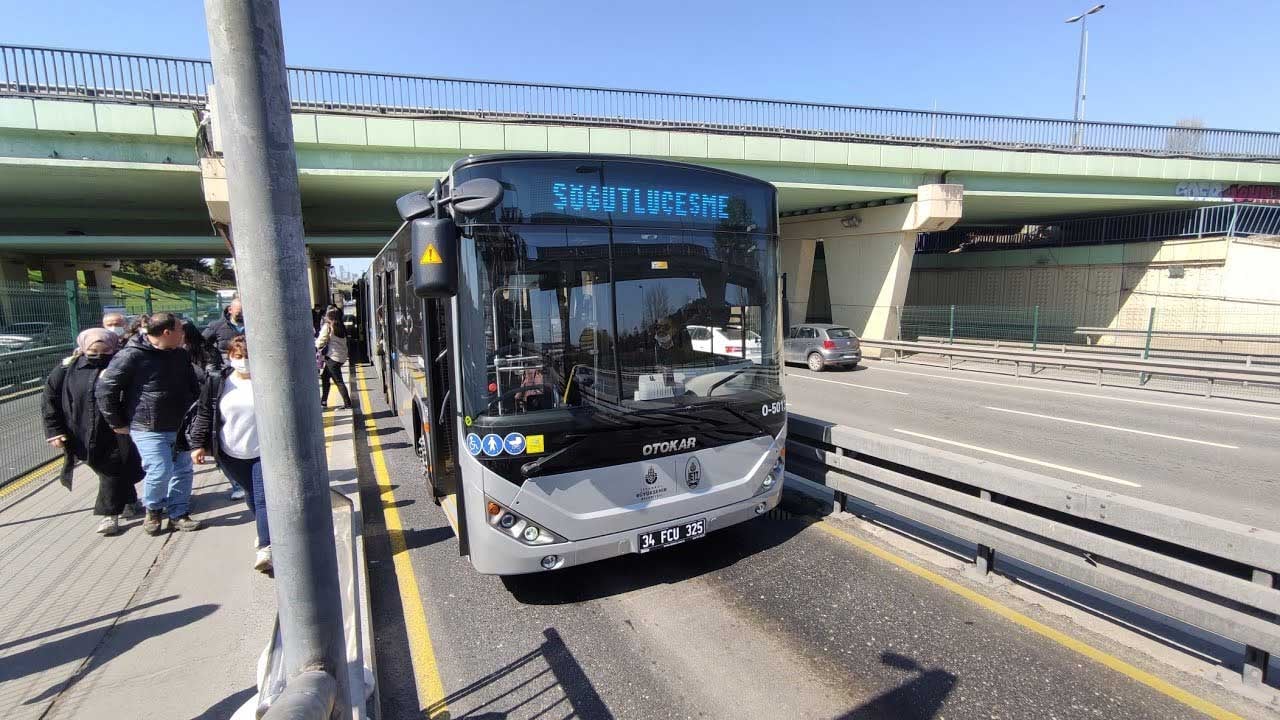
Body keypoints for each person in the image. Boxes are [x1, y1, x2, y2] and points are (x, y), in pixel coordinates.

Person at [96, 312, 202, 535]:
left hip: (181, 424)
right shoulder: (131, 356)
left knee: (183, 470)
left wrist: (196, 415)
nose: (183, 334)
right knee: (160, 470)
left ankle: (178, 513)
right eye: (180, 330)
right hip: (147, 425)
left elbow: (193, 386)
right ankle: (153, 509)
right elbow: (106, 390)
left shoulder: (180, 355)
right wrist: (116, 422)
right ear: (167, 332)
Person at [42, 329, 145, 536]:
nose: (100, 355)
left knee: (112, 469)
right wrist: (54, 431)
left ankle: (109, 515)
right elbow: (49, 401)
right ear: (82, 349)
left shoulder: (125, 365)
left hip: (118, 430)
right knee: (106, 468)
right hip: (80, 431)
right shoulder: (65, 369)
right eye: (93, 351)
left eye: (106, 350)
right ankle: (130, 501)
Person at [188, 336, 272, 572]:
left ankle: (266, 546)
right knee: (251, 494)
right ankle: (266, 530)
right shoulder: (218, 381)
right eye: (238, 357)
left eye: (247, 357)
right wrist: (198, 445)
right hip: (230, 451)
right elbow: (205, 413)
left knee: (263, 497)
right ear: (230, 357)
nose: (243, 361)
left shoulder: (268, 379)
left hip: (262, 452)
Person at [316, 307, 353, 410]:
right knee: (325, 377)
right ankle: (323, 401)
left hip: (333, 358)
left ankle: (347, 404)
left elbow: (321, 341)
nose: (325, 317)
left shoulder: (328, 326)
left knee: (338, 381)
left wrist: (315, 347)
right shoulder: (341, 326)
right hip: (340, 357)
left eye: (327, 316)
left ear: (329, 317)